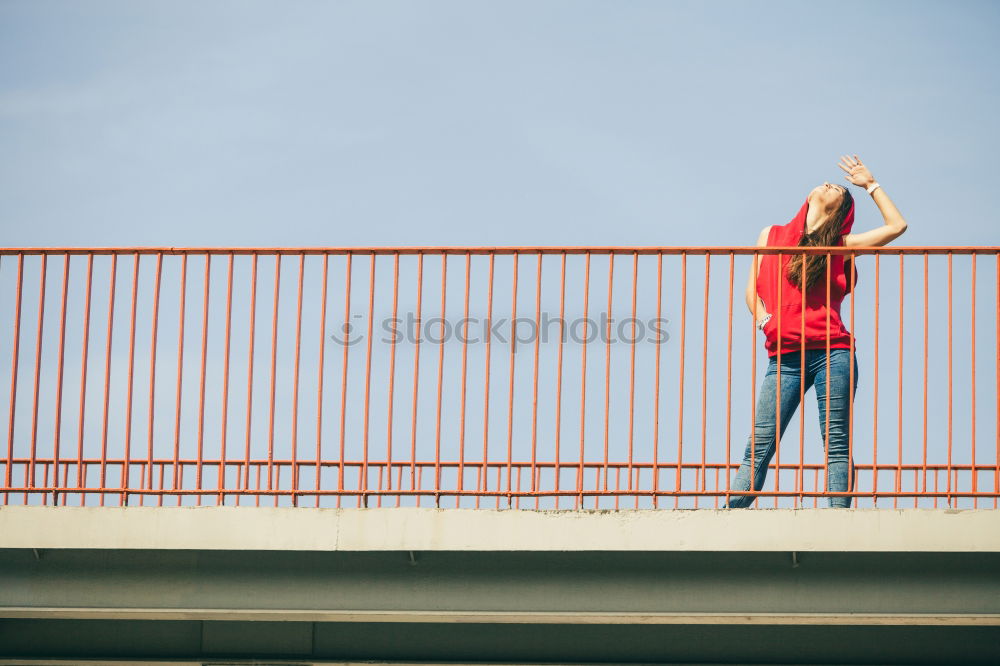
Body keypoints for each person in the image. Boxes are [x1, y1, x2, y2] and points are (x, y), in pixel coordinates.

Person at [725, 155, 908, 508]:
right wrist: (767, 321)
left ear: (841, 209)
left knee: (835, 440)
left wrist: (870, 185)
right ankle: (730, 512)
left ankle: (837, 517)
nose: (830, 185)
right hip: (784, 355)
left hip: (833, 353)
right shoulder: (771, 235)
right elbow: (752, 292)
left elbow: (896, 226)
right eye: (830, 183)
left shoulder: (841, 246)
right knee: (760, 440)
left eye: (838, 189)